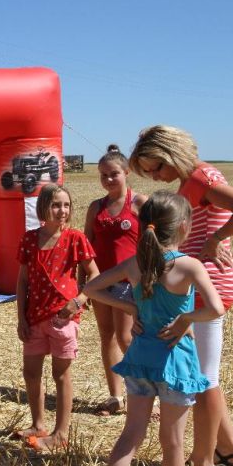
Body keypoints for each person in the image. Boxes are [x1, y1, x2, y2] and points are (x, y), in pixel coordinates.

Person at [130, 125, 233, 466]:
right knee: (203, 374)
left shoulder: (202, 178)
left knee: (204, 379)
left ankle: (203, 463)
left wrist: (216, 238)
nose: (156, 175)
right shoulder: (193, 181)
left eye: (157, 167)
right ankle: (230, 452)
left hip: (208, 288)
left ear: (171, 153)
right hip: (200, 287)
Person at [84, 191, 225, 466]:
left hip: (139, 360)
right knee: (173, 443)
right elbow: (216, 308)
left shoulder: (134, 264)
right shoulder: (189, 266)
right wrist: (186, 320)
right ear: (184, 227)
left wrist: (130, 307)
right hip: (176, 363)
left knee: (130, 434)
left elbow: (92, 288)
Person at [13, 184, 99, 452]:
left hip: (63, 317)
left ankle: (61, 433)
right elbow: (23, 281)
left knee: (61, 373)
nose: (62, 210)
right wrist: (21, 318)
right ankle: (39, 424)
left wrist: (79, 301)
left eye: (66, 205)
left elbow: (95, 275)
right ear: (43, 208)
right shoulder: (29, 239)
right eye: (55, 205)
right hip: (34, 316)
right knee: (31, 371)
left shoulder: (75, 239)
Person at [83, 145, 147, 416]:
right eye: (103, 175)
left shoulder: (139, 203)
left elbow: (153, 243)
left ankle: (145, 395)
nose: (108, 180)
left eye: (113, 174)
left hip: (128, 283)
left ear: (126, 173)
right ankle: (115, 397)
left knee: (126, 338)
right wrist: (82, 284)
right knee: (106, 336)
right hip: (99, 282)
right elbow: (86, 245)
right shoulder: (96, 207)